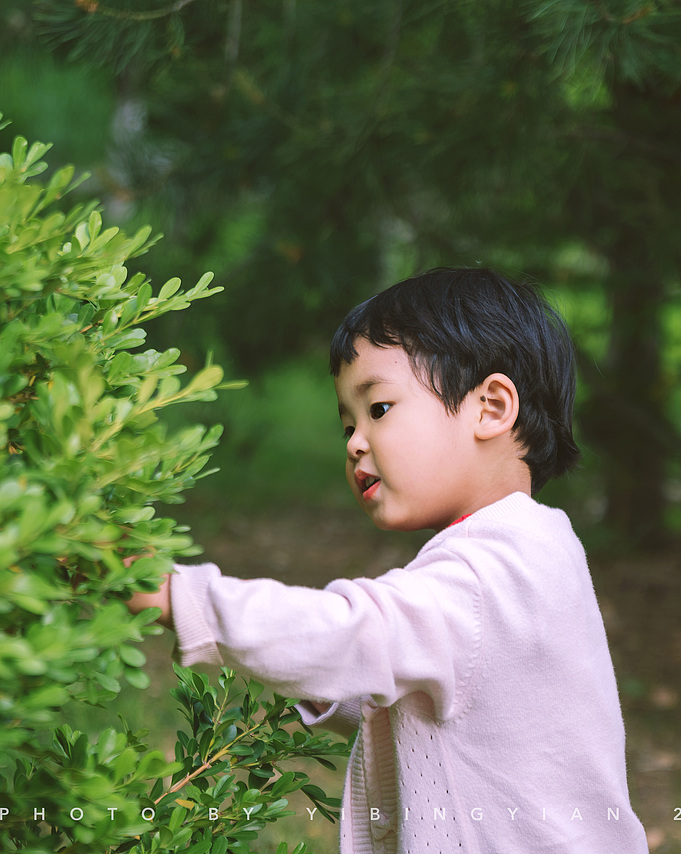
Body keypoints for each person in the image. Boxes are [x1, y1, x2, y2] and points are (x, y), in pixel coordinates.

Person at [128, 267, 648, 853]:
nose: (354, 442)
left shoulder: (485, 572)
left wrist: (178, 596)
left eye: (377, 409)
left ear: (490, 407)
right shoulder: (538, 547)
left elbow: (357, 633)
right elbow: (454, 709)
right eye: (347, 425)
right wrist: (334, 687)